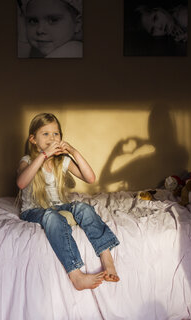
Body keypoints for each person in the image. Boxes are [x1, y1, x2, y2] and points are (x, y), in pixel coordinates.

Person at [16, 113, 120, 290]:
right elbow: (21, 182)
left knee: (83, 208)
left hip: (58, 206)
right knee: (50, 216)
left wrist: (73, 151)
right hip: (34, 210)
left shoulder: (62, 161)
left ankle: (106, 256)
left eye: (56, 134)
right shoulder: (28, 161)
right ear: (33, 139)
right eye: (46, 134)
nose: (52, 138)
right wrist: (43, 155)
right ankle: (76, 274)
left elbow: (90, 178)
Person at [17, 0, 83, 58]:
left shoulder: (73, 50)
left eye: (53, 20)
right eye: (33, 21)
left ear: (77, 24)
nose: (40, 30)